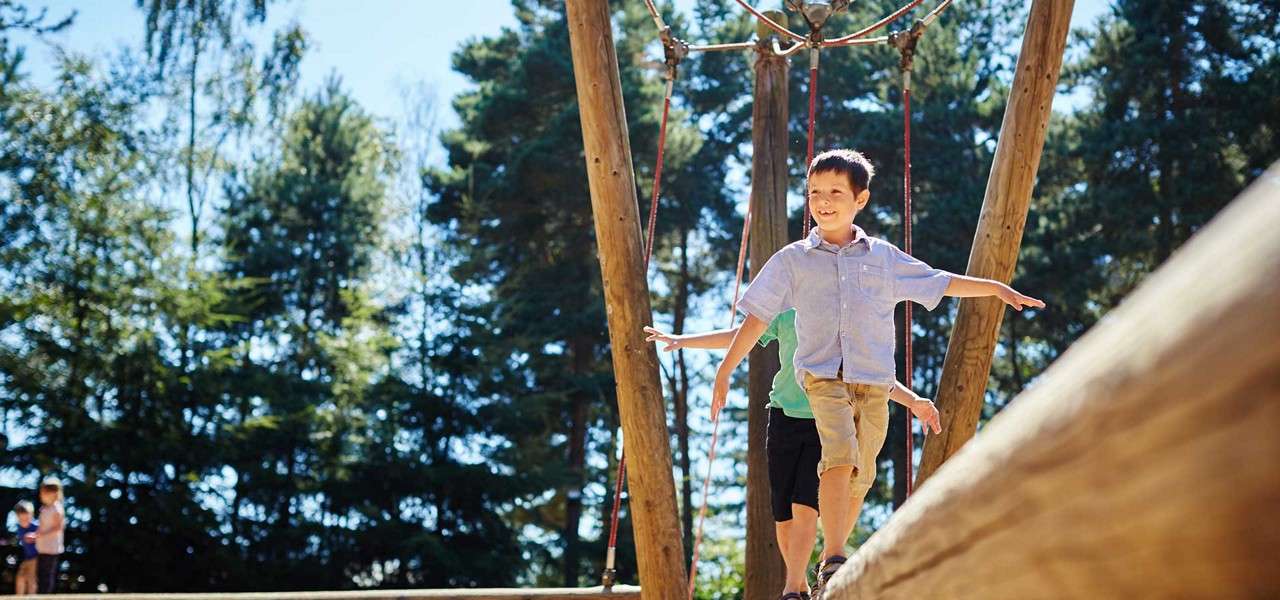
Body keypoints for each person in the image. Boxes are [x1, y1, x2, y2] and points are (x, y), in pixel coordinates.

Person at [711, 149, 1044, 597]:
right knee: (839, 454)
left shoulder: (883, 259)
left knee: (860, 473)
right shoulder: (793, 260)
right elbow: (754, 319)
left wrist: (996, 289)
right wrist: (725, 371)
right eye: (814, 192)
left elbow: (940, 281)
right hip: (822, 379)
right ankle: (832, 556)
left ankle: (830, 557)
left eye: (834, 192)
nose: (822, 201)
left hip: (873, 383)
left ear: (860, 199)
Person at [645, 312, 940, 600]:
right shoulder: (785, 312)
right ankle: (798, 585)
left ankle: (791, 589)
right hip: (782, 417)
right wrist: (683, 340)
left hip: (826, 419)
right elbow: (741, 337)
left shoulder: (844, 311)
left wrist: (913, 400)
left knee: (805, 507)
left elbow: (873, 376)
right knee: (783, 514)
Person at [24, 477, 65, 595]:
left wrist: (40, 535)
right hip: (42, 547)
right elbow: (41, 528)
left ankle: (44, 596)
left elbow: (58, 528)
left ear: (53, 493)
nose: (41, 495)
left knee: (46, 575)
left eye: (43, 493)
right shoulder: (44, 509)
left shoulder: (57, 509)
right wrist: (35, 535)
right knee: (40, 574)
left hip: (52, 548)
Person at [12, 500, 38, 596]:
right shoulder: (19, 528)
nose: (24, 522)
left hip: (36, 557)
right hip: (28, 557)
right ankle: (19, 597)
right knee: (21, 576)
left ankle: (32, 596)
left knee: (31, 578)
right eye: (21, 520)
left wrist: (35, 536)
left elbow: (43, 534)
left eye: (27, 519)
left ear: (31, 515)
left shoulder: (36, 526)